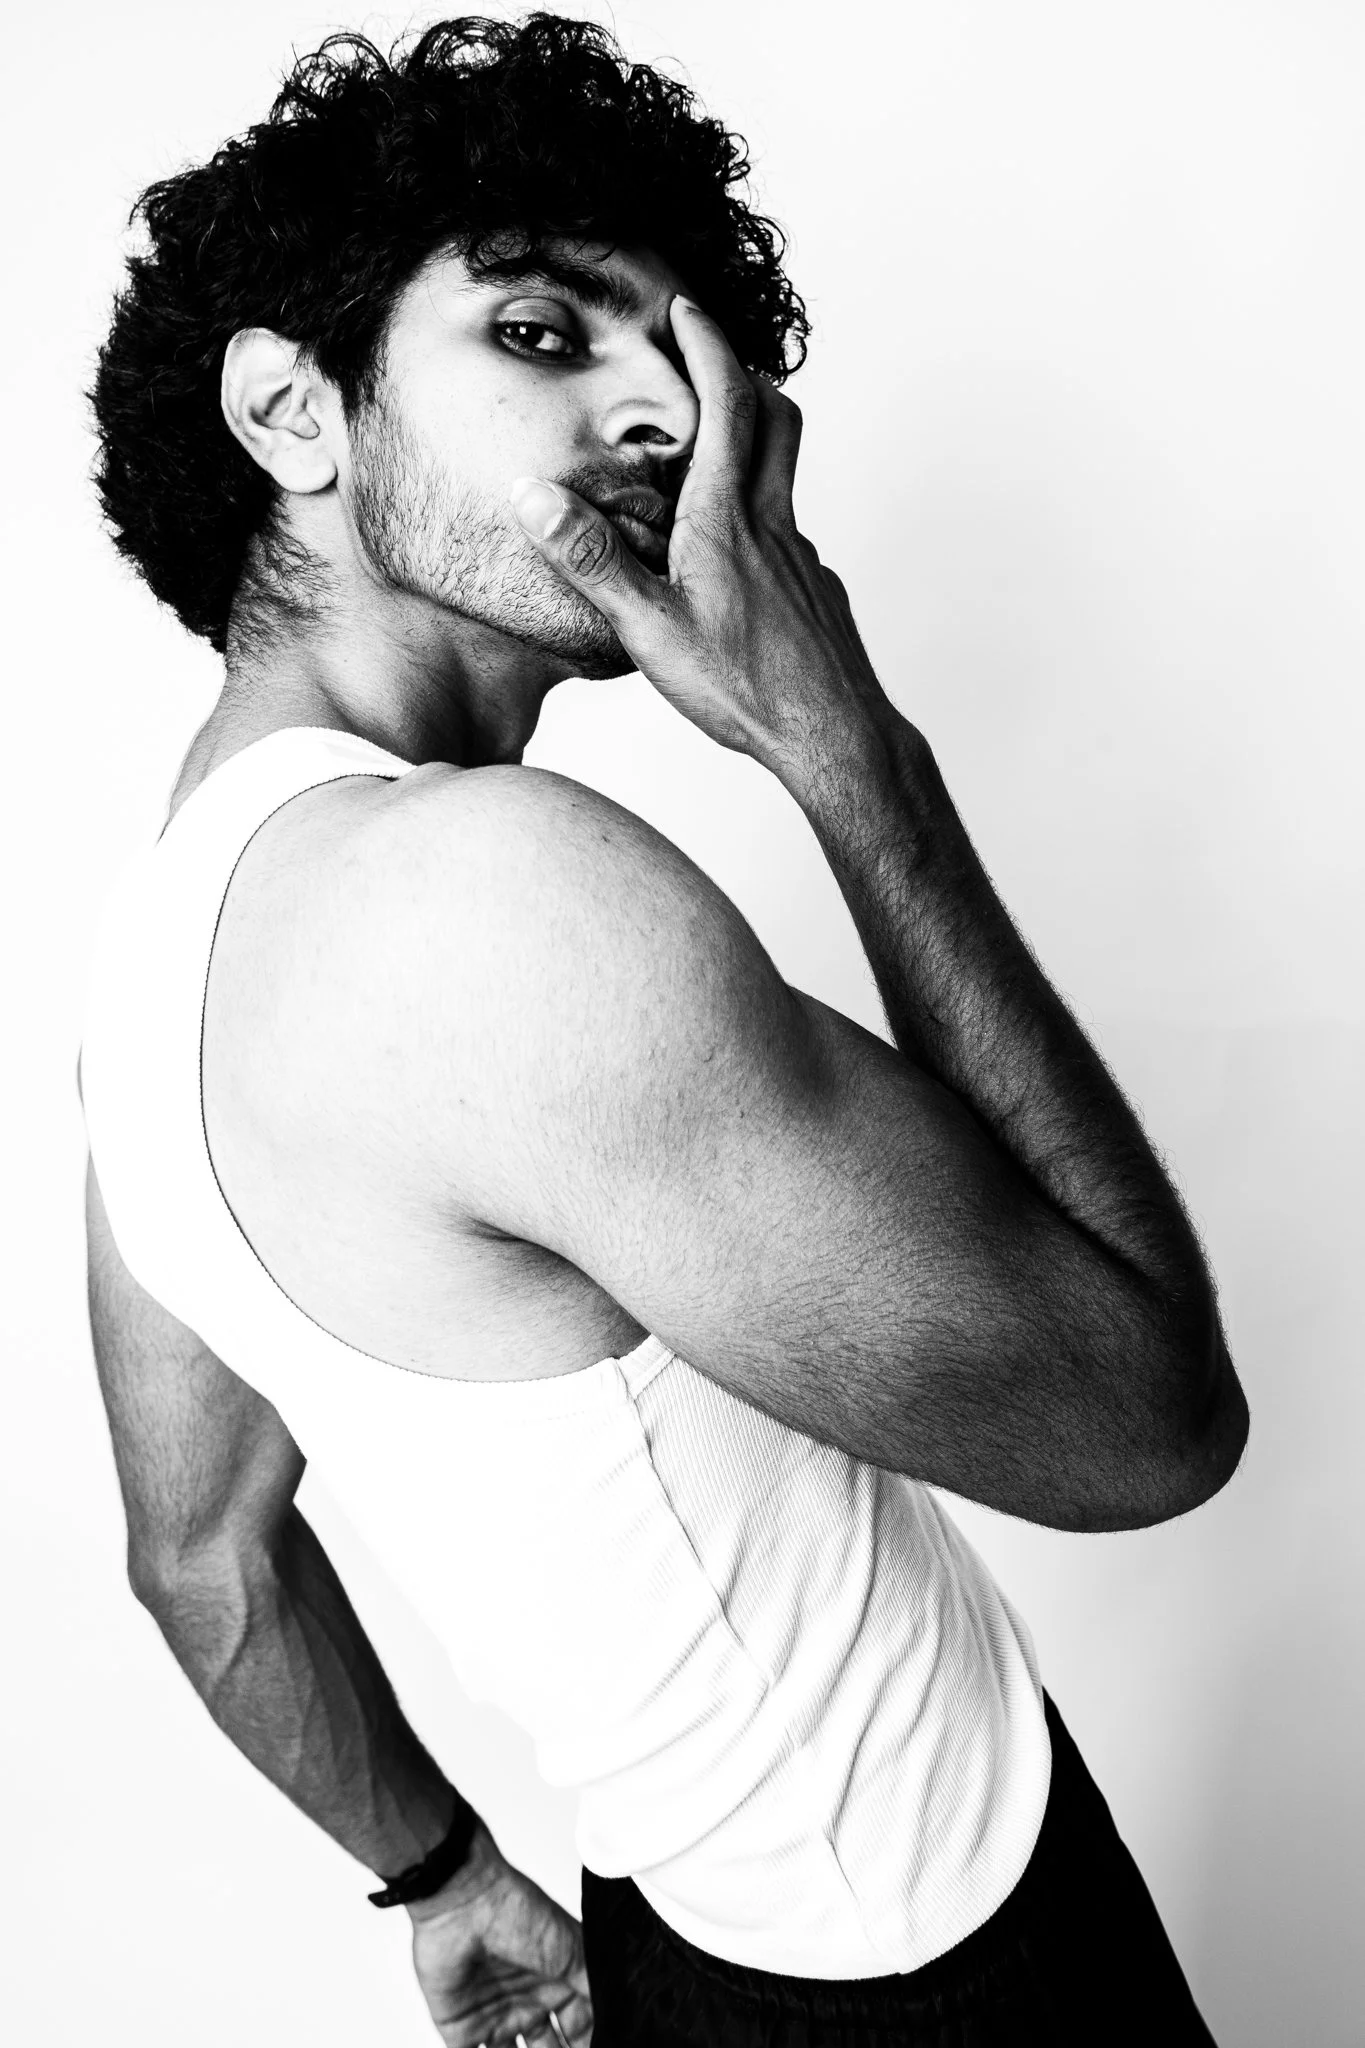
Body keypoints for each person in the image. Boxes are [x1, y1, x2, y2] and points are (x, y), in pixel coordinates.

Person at [79, 15, 1247, 2046]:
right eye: (543, 332)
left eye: (678, 363)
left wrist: (445, 1882)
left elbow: (203, 1563)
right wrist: (843, 744)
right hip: (940, 1976)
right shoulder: (486, 895)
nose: (658, 414)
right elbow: (1146, 1425)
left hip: (676, 1944)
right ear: (289, 410)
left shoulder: (158, 957)